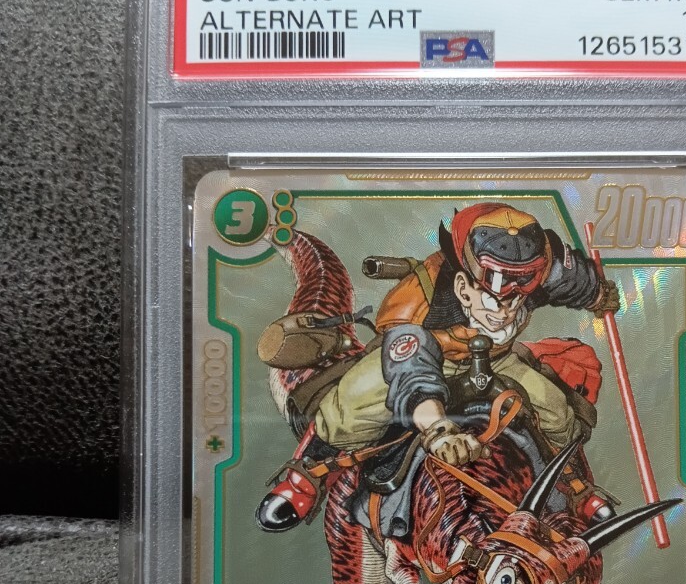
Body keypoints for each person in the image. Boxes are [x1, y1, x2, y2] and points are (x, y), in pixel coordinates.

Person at [257, 202, 620, 531]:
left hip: (496, 360)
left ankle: (572, 485)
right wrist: (440, 431)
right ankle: (305, 476)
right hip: (416, 360)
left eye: (524, 283)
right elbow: (412, 371)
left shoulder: (544, 269)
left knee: (557, 412)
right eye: (496, 286)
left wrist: (599, 295)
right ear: (463, 286)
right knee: (346, 412)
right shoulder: (416, 302)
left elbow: (578, 282)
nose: (508, 307)